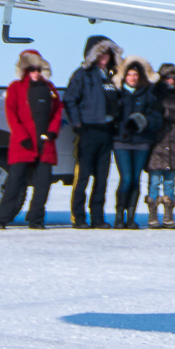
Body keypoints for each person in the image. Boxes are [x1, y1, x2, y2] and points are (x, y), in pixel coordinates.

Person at [0, 49, 63, 228]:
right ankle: (2, 217)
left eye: (38, 69)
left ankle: (36, 218)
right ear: (24, 70)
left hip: (45, 143)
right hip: (23, 144)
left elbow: (57, 111)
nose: (35, 73)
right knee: (15, 182)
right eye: (31, 69)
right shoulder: (15, 87)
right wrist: (21, 136)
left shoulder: (50, 88)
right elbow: (11, 114)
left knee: (43, 183)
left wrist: (52, 132)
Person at [65, 36, 121, 226]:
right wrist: (78, 124)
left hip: (106, 131)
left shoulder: (113, 76)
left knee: (102, 178)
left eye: (108, 53)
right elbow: (70, 99)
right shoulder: (82, 74)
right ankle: (78, 217)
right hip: (88, 131)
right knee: (83, 177)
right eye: (101, 53)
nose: (104, 57)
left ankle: (98, 217)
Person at [108, 58, 157, 230]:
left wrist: (142, 121)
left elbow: (156, 116)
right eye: (129, 74)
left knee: (136, 179)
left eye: (135, 74)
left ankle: (131, 217)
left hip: (141, 141)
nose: (132, 78)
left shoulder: (148, 93)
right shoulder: (118, 92)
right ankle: (119, 215)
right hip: (121, 141)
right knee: (126, 178)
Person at [146, 64, 175, 228]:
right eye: (167, 77)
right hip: (157, 142)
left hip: (174, 142)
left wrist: (165, 113)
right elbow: (150, 112)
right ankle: (152, 215)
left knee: (170, 181)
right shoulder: (154, 94)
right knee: (154, 181)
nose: (170, 81)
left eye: (173, 78)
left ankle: (168, 216)